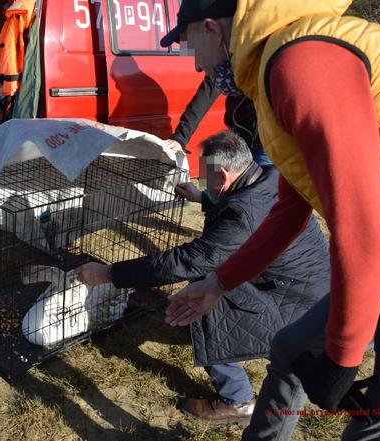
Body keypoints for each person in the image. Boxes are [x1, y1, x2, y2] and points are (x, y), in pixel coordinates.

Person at [161, 1, 380, 440]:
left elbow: (360, 228)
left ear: (213, 29)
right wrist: (217, 284)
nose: (194, 61)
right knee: (292, 350)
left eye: (188, 43)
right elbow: (291, 207)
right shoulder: (272, 71)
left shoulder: (303, 62)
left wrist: (342, 359)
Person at [76, 131, 329, 425]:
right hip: (310, 292)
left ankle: (238, 400)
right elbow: (240, 202)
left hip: (297, 310)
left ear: (222, 174)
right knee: (206, 283)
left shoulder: (240, 219)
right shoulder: (270, 177)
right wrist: (204, 199)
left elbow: (184, 261)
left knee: (196, 302)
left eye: (205, 178)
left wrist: (108, 273)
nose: (202, 183)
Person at [166, 76, 272, 167]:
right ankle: (207, 190)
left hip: (266, 141)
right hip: (239, 134)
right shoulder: (223, 64)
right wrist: (179, 139)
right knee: (208, 158)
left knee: (261, 185)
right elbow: (204, 97)